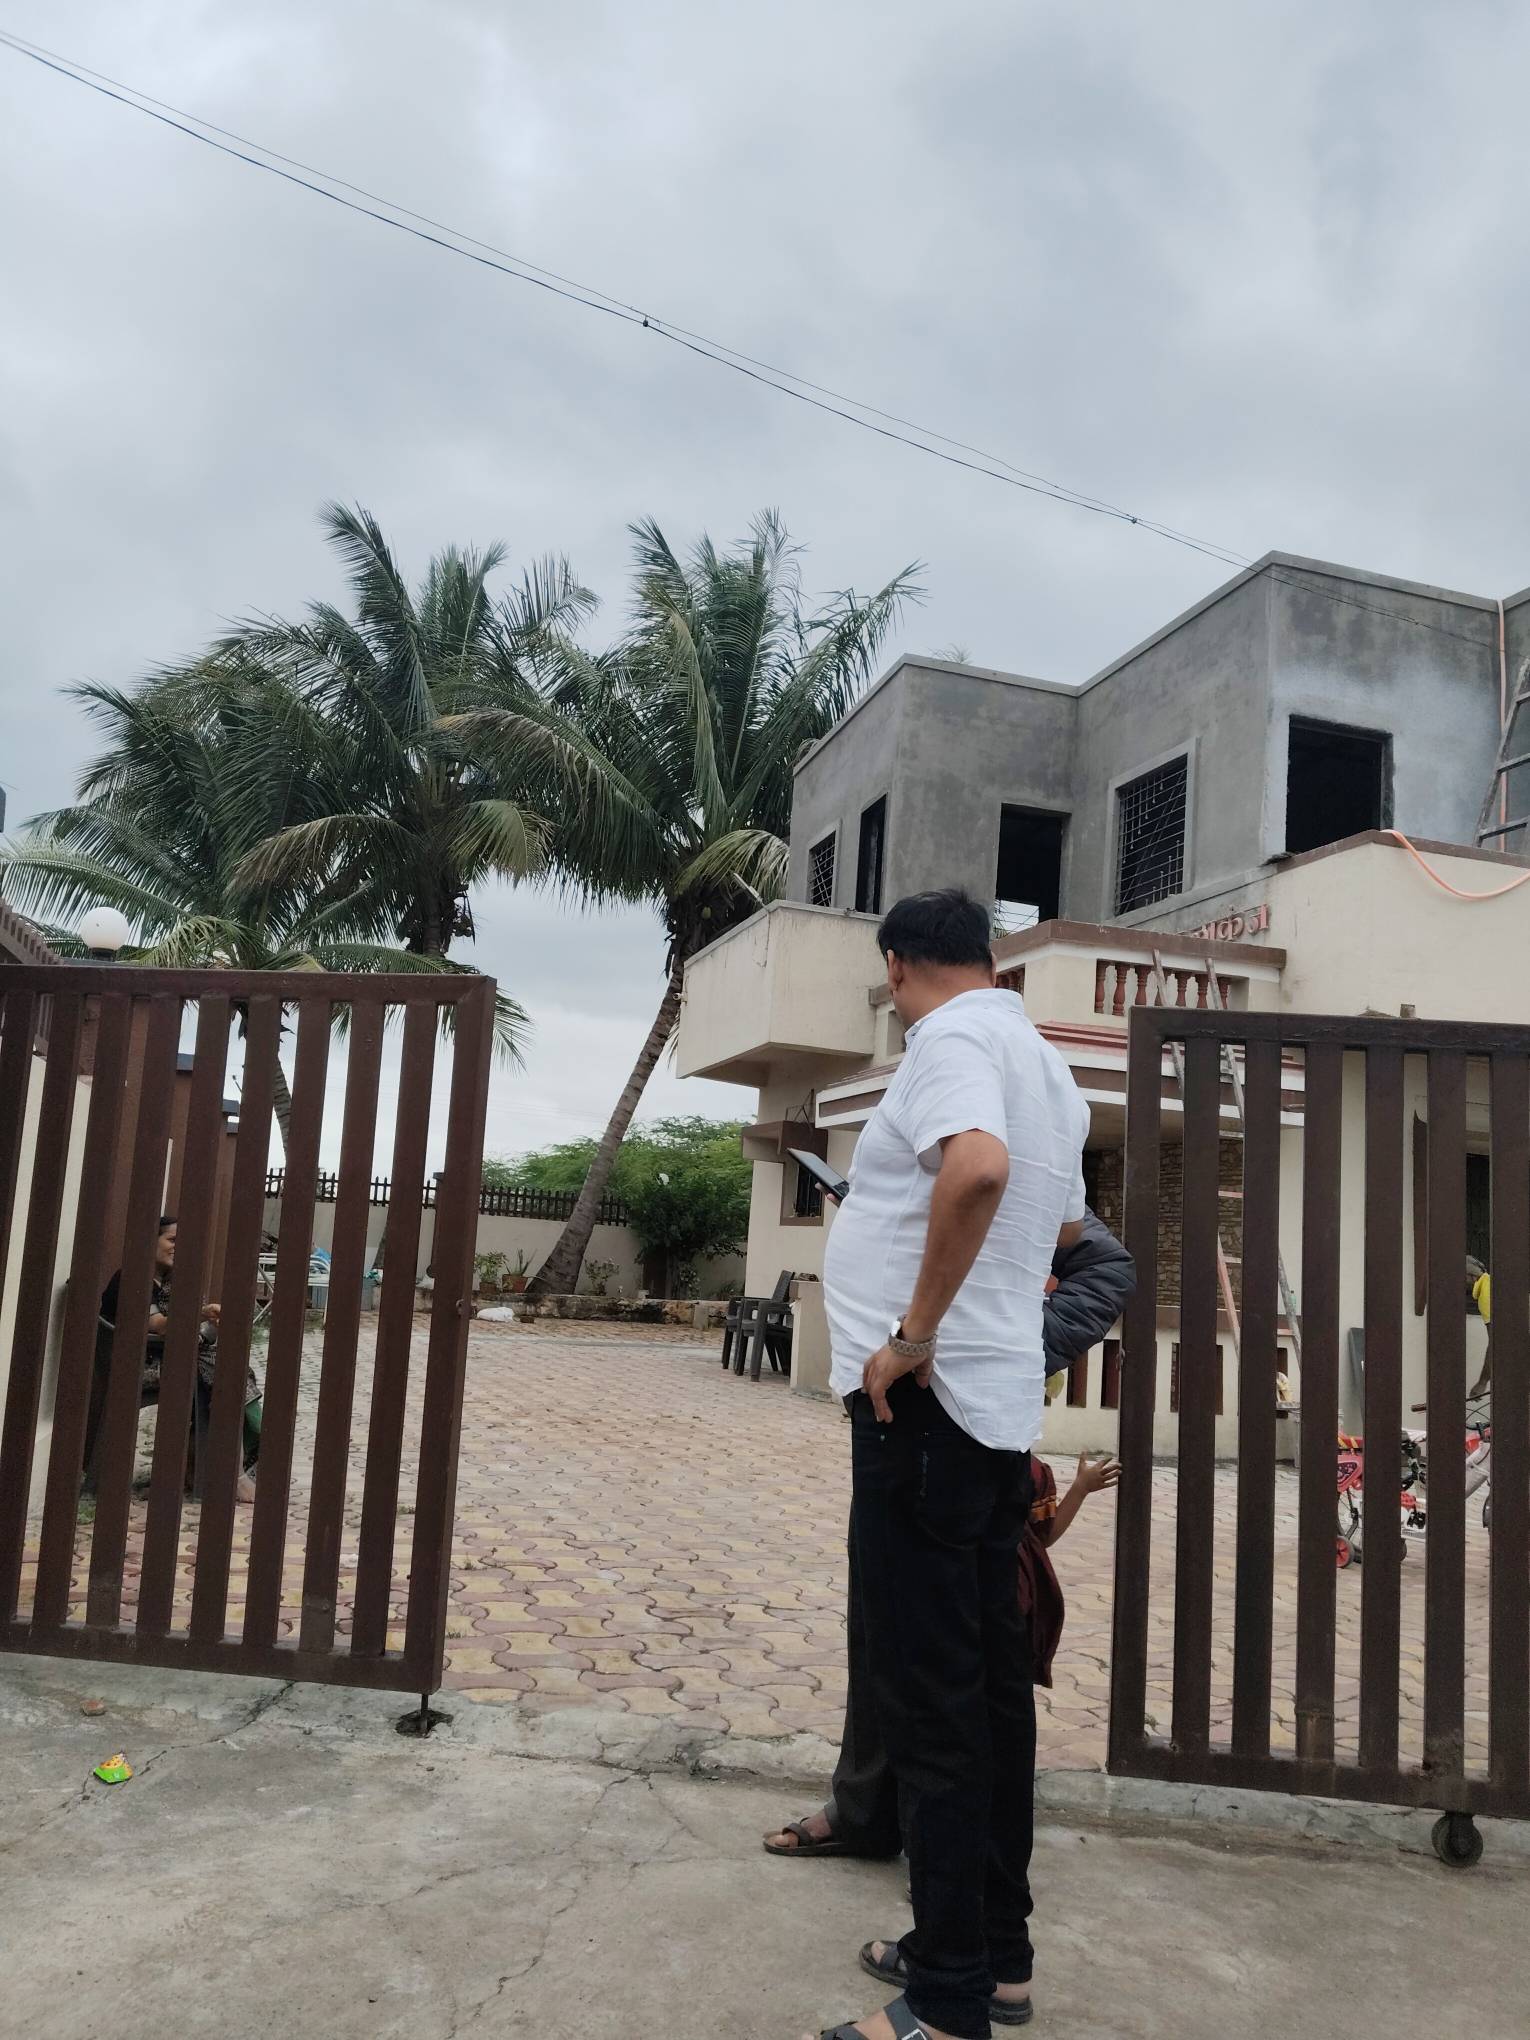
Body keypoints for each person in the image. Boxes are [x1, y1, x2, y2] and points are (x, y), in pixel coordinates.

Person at [802, 887, 1091, 2040]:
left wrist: (913, 1333)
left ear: (896, 966)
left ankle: (947, 2001)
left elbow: (973, 1170)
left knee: (929, 1706)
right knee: (988, 1698)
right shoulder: (1046, 1065)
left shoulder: (951, 1037)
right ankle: (990, 1960)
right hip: (989, 1418)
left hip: (924, 1413)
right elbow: (1060, 1229)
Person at [766, 1211, 1134, 1874]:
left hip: (963, 1431)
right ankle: (869, 1812)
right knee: (882, 1632)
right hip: (892, 1424)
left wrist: (999, 1347)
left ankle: (954, 1869)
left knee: (956, 1652)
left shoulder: (1001, 1158)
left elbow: (1104, 1265)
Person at [96, 1215, 260, 1503]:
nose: (178, 1247)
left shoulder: (168, 1282)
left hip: (163, 1357)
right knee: (221, 1376)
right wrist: (201, 1315)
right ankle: (229, 1475)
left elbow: (186, 1329)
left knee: (223, 1372)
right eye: (172, 1240)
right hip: (136, 1365)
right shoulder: (132, 1278)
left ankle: (201, 1471)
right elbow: (159, 1325)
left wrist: (208, 1323)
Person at [1467, 1257, 1492, 1398]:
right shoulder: (1489, 1284)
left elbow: (1497, 1342)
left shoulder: (1486, 1293)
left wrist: (1482, 1382)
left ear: (1470, 1276)